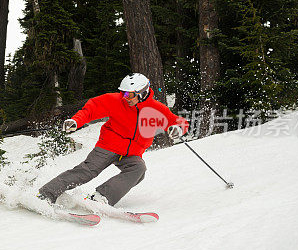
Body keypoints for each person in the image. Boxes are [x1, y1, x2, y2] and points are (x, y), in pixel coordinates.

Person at [38, 73, 189, 207]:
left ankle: (101, 197)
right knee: (87, 171)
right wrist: (76, 121)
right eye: (123, 93)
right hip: (108, 146)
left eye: (130, 95)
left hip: (132, 153)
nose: (126, 98)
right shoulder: (116, 101)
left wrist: (178, 128)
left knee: (138, 170)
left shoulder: (156, 109)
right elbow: (91, 109)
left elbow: (177, 121)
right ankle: (47, 194)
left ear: (142, 93)